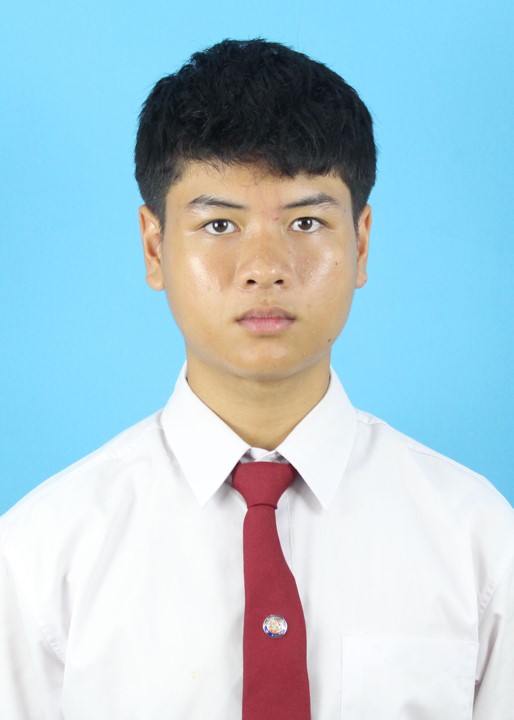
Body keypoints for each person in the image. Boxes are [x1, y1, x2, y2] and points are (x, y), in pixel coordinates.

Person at [1, 38, 513, 720]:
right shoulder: (41, 554)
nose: (265, 267)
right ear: (154, 248)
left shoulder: (478, 540)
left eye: (306, 221)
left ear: (361, 241)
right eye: (219, 224)